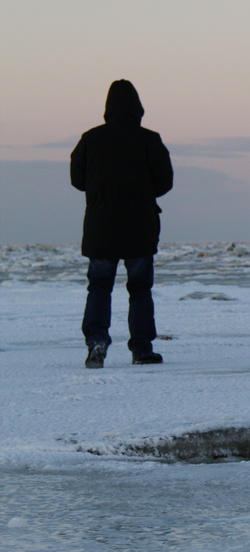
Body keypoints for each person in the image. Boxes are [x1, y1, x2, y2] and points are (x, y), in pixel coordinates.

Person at [70, 80, 174, 368]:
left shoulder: (90, 139)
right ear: (137, 108)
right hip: (139, 227)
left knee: (99, 287)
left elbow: (77, 180)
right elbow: (165, 182)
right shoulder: (149, 140)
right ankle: (141, 349)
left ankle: (96, 341)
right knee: (139, 289)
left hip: (100, 228)